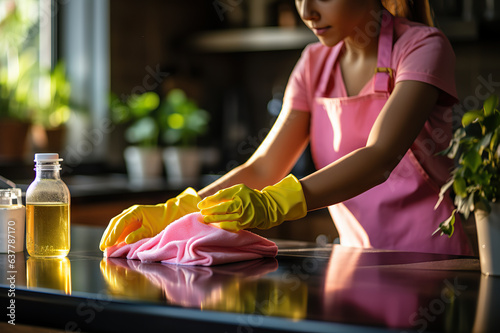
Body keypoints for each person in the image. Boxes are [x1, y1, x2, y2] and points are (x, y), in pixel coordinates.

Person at [100, 0, 473, 256]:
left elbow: (380, 156)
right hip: (358, 261)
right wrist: (179, 211)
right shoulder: (314, 63)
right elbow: (264, 167)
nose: (307, 11)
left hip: (434, 261)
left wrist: (277, 203)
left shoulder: (422, 48)